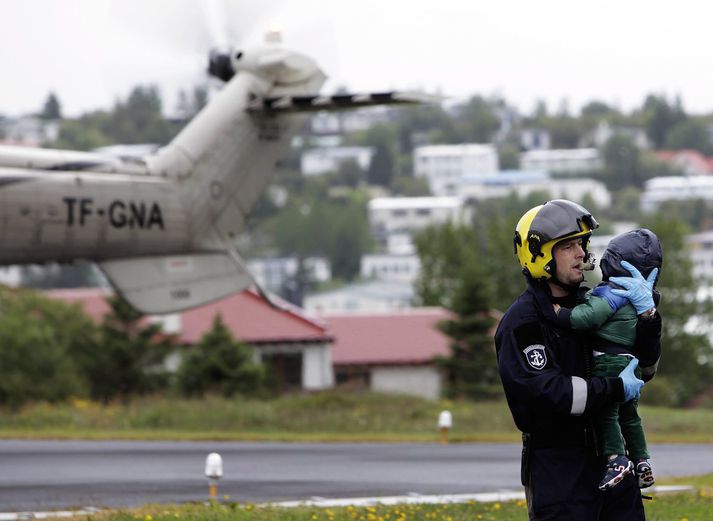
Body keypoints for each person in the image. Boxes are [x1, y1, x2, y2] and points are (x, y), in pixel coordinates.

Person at [495, 200, 662, 521]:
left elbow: (645, 369)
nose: (581, 253)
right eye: (568, 246)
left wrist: (648, 318)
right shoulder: (524, 322)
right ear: (539, 253)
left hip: (613, 462)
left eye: (582, 244)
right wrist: (614, 389)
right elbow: (547, 393)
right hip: (560, 470)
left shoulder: (594, 304)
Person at [553, 228, 662, 491]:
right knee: (630, 416)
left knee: (606, 412)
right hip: (630, 365)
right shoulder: (643, 298)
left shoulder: (613, 292)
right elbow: (648, 365)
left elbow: (586, 319)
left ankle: (616, 459)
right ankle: (642, 460)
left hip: (609, 362)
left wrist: (560, 314)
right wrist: (649, 313)